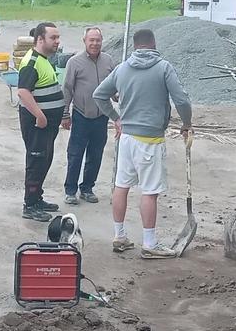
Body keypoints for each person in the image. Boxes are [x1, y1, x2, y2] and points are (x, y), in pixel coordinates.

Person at [93, 28, 193, 259]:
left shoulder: (122, 68)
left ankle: (119, 235)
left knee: (121, 185)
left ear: (135, 46)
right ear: (154, 44)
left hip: (126, 138)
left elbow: (99, 94)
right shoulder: (163, 68)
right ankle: (149, 243)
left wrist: (116, 118)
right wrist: (186, 123)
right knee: (149, 191)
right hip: (150, 140)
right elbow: (182, 99)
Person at [61, 26, 118, 206]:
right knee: (75, 154)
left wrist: (118, 94)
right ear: (84, 41)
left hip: (101, 117)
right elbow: (67, 90)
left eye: (98, 40)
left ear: (102, 41)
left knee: (96, 154)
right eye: (91, 40)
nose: (94, 43)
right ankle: (70, 190)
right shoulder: (74, 62)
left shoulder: (108, 61)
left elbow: (114, 86)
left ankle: (87, 188)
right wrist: (65, 114)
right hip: (81, 115)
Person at [16, 22, 64, 222]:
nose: (57, 41)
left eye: (58, 37)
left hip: (47, 126)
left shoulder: (45, 59)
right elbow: (23, 91)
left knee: (45, 160)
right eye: (53, 38)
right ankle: (30, 204)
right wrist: (40, 115)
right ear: (40, 39)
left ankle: (37, 198)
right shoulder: (32, 62)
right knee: (36, 161)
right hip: (37, 125)